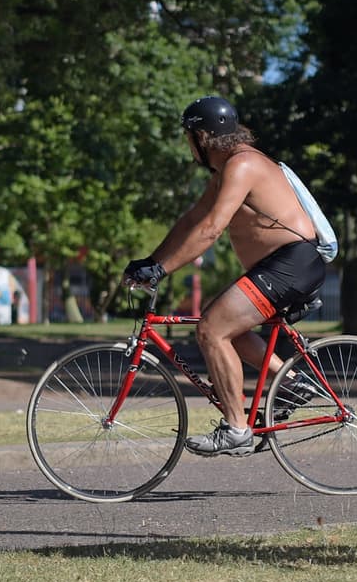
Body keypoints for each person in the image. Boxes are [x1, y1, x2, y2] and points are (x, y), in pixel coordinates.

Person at [122, 96, 327, 457]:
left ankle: (236, 428)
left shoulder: (243, 164)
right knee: (228, 329)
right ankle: (293, 383)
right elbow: (191, 221)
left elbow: (211, 230)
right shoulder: (227, 171)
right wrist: (152, 260)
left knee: (211, 329)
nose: (188, 145)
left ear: (201, 136)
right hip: (281, 265)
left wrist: (163, 269)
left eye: (189, 137)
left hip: (290, 262)